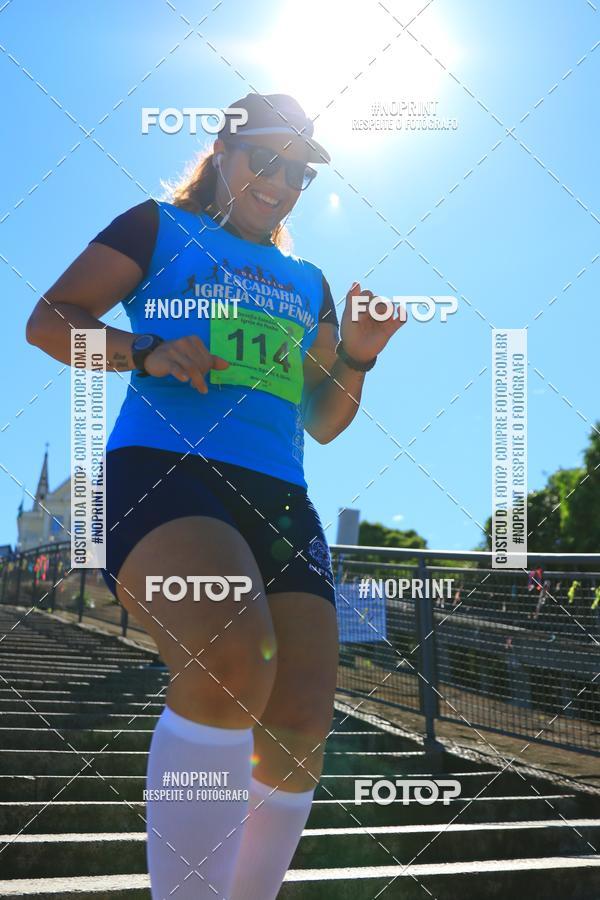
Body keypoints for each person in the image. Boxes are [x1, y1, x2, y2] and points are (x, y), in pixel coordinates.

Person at [25, 92, 405, 899]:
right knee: (232, 661)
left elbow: (323, 419)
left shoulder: (308, 281)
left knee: (300, 720)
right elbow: (50, 321)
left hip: (280, 498)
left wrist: (359, 358)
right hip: (166, 469)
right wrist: (143, 349)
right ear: (223, 152)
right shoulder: (157, 227)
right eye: (266, 160)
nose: (282, 183)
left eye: (299, 173)